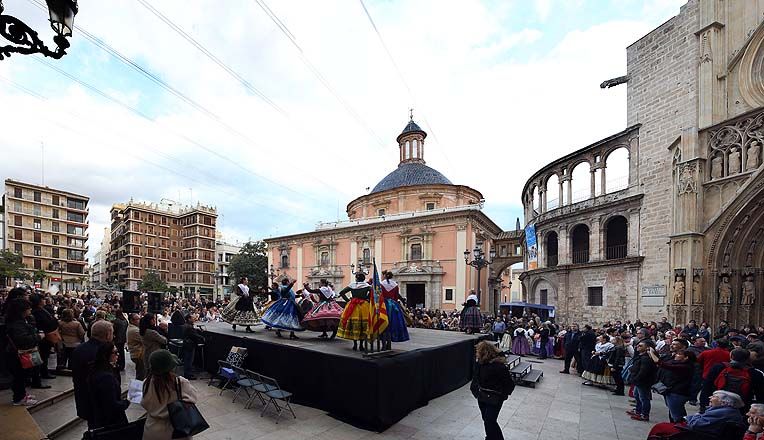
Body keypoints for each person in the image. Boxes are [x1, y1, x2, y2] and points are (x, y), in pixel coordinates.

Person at [141, 350, 200, 440]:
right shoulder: (179, 383)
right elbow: (193, 399)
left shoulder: (147, 382)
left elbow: (144, 403)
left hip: (152, 430)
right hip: (176, 431)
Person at [646, 390, 746, 438]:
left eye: (714, 397)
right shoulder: (726, 410)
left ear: (724, 402)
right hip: (702, 431)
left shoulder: (723, 412)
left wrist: (693, 417)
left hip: (699, 434)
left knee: (660, 427)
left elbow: (696, 424)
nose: (710, 398)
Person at [71, 320, 114, 428]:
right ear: (108, 334)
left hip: (84, 398)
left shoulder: (79, 349)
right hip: (100, 403)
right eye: (112, 332)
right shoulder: (102, 352)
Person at [471, 341, 514, 440]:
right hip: (482, 397)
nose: (476, 353)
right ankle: (490, 437)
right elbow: (475, 378)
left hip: (495, 398)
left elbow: (509, 384)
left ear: (484, 352)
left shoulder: (499, 366)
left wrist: (502, 396)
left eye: (478, 351)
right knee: (487, 420)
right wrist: (476, 392)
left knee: (490, 420)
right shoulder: (480, 364)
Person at [4, 298, 42, 406]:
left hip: (18, 353)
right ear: (22, 310)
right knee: (19, 376)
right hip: (18, 354)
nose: (30, 310)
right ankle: (19, 398)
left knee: (22, 376)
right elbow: (22, 340)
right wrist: (38, 336)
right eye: (28, 308)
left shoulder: (20, 321)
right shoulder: (17, 324)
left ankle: (22, 394)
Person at [87, 342, 129, 429]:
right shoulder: (106, 377)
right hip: (109, 421)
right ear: (106, 355)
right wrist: (126, 402)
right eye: (115, 352)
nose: (118, 355)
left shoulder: (96, 370)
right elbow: (111, 404)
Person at [648, 346, 696, 423]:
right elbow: (662, 362)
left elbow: (661, 364)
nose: (676, 355)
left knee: (677, 415)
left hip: (677, 392)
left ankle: (679, 429)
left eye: (678, 354)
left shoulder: (685, 367)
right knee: (673, 411)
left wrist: (651, 353)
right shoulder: (676, 362)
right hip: (671, 390)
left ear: (686, 357)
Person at [337, 271, 373, 351]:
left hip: (352, 305)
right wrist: (366, 298)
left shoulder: (352, 285)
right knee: (363, 325)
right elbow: (371, 295)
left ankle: (355, 344)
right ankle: (361, 345)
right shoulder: (367, 286)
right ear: (364, 279)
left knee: (353, 324)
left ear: (356, 278)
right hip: (364, 305)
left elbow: (342, 292)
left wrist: (347, 300)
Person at [29, 293, 58, 379]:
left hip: (47, 336)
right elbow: (45, 322)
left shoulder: (42, 310)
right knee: (43, 356)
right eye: (43, 299)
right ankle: (42, 373)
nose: (45, 301)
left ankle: (43, 372)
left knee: (45, 356)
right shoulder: (37, 312)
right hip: (43, 337)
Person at [378, 271, 410, 349]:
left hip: (383, 305)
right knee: (392, 325)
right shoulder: (395, 285)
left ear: (385, 276)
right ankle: (389, 344)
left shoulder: (381, 284)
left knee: (383, 324)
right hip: (393, 306)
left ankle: (383, 345)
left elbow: (379, 295)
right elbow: (396, 297)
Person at [627, 341, 657, 422]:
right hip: (638, 380)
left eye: (640, 346)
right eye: (638, 345)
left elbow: (643, 371)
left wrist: (636, 378)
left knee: (644, 398)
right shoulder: (641, 356)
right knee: (636, 395)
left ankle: (644, 415)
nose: (637, 347)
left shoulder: (646, 358)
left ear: (647, 348)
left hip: (643, 381)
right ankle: (638, 411)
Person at [181, 313, 205, 380]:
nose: (194, 319)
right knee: (189, 360)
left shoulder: (186, 325)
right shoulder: (189, 327)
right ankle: (188, 375)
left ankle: (187, 373)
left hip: (187, 344)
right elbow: (194, 335)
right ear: (189, 319)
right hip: (190, 345)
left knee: (187, 360)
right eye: (192, 318)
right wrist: (202, 337)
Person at [126, 313, 145, 380]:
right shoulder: (134, 330)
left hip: (138, 354)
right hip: (138, 354)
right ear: (132, 320)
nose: (139, 321)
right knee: (141, 375)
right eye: (138, 319)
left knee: (140, 373)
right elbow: (144, 340)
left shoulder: (134, 327)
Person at [112, 307, 128, 372]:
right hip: (123, 338)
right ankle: (122, 364)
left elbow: (114, 330)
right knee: (122, 352)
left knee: (118, 352)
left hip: (118, 338)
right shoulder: (125, 321)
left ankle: (119, 364)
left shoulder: (116, 321)